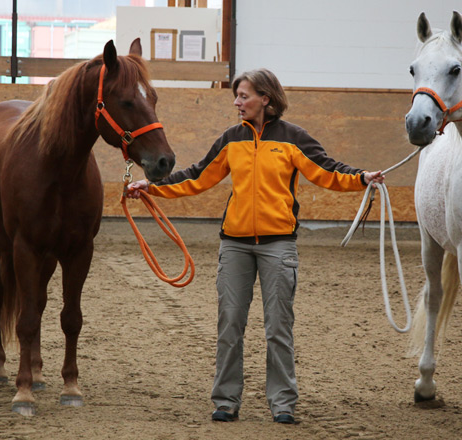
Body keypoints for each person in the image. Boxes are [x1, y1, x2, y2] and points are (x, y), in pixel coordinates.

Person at [126, 68, 384, 425]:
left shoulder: (294, 139)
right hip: (234, 246)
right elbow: (197, 176)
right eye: (237, 96)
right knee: (230, 323)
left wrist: (361, 178)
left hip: (279, 245)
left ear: (266, 98)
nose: (237, 102)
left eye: (244, 96)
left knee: (278, 327)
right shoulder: (231, 139)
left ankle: (282, 403)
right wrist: (150, 186)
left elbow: (326, 169)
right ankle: (226, 400)